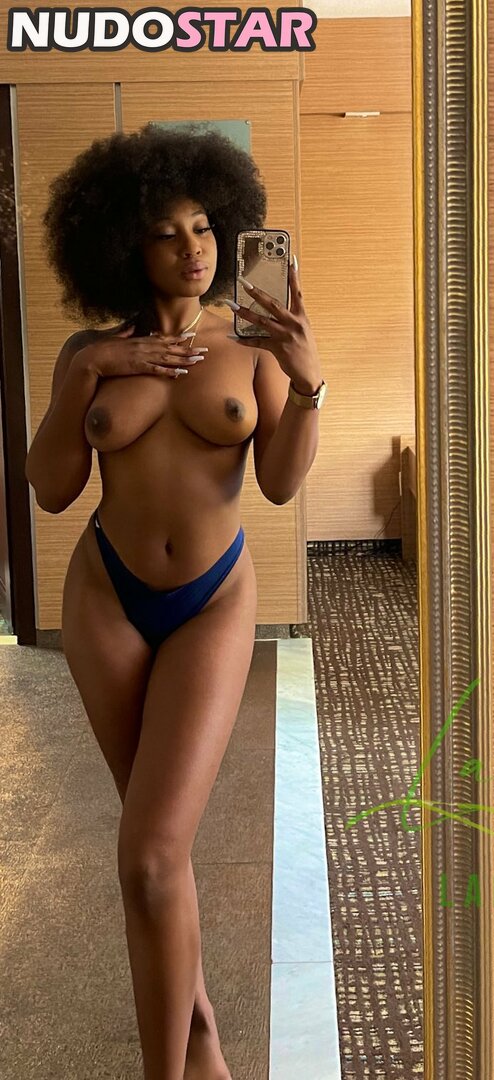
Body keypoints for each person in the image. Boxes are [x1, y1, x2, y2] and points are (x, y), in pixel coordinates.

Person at [24, 123, 325, 1080]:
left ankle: (180, 1063)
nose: (192, 248)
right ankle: (198, 1042)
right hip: (105, 596)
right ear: (125, 246)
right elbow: (50, 488)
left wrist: (307, 386)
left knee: (153, 854)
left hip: (211, 600)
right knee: (156, 851)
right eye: (166, 232)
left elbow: (278, 482)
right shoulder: (90, 351)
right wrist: (85, 378)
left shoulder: (251, 346)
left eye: (203, 226)